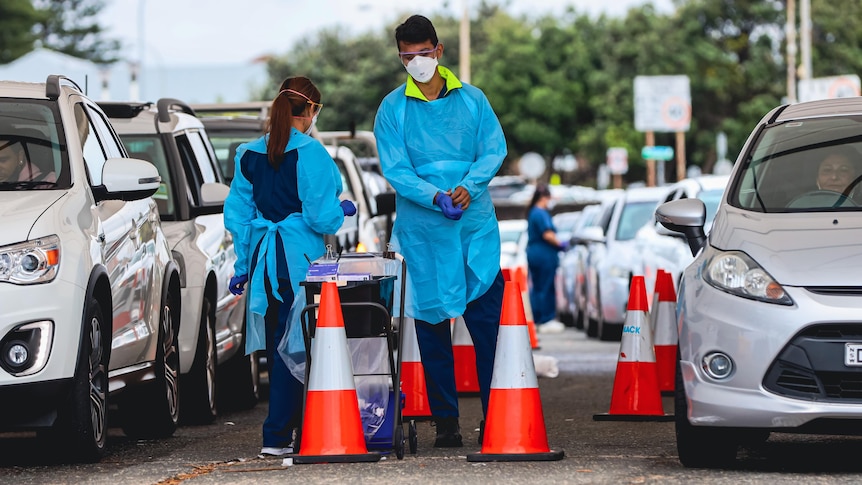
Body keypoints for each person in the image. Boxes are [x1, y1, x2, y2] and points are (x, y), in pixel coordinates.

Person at [373, 14, 507, 448]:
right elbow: (396, 169)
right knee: (432, 330)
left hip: (473, 230)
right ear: (400, 57)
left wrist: (467, 189)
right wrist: (435, 196)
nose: (417, 62)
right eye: (408, 56)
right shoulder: (392, 109)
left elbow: (493, 149)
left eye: (424, 54)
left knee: (489, 329)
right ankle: (446, 422)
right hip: (425, 231)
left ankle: (498, 415)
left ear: (439, 51)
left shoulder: (473, 100)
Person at [223, 76, 356, 458]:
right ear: (311, 110)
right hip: (299, 265)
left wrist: (243, 265)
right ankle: (281, 436)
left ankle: (281, 434)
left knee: (278, 351)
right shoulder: (310, 153)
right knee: (298, 348)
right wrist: (341, 210)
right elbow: (321, 217)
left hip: (266, 263)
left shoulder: (248, 154)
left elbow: (239, 215)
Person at [525, 185, 568, 334]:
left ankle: (538, 318)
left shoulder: (532, 212)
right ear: (544, 198)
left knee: (537, 287)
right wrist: (561, 244)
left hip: (534, 253)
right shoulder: (541, 213)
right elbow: (548, 234)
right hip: (544, 255)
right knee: (546, 286)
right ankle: (546, 319)